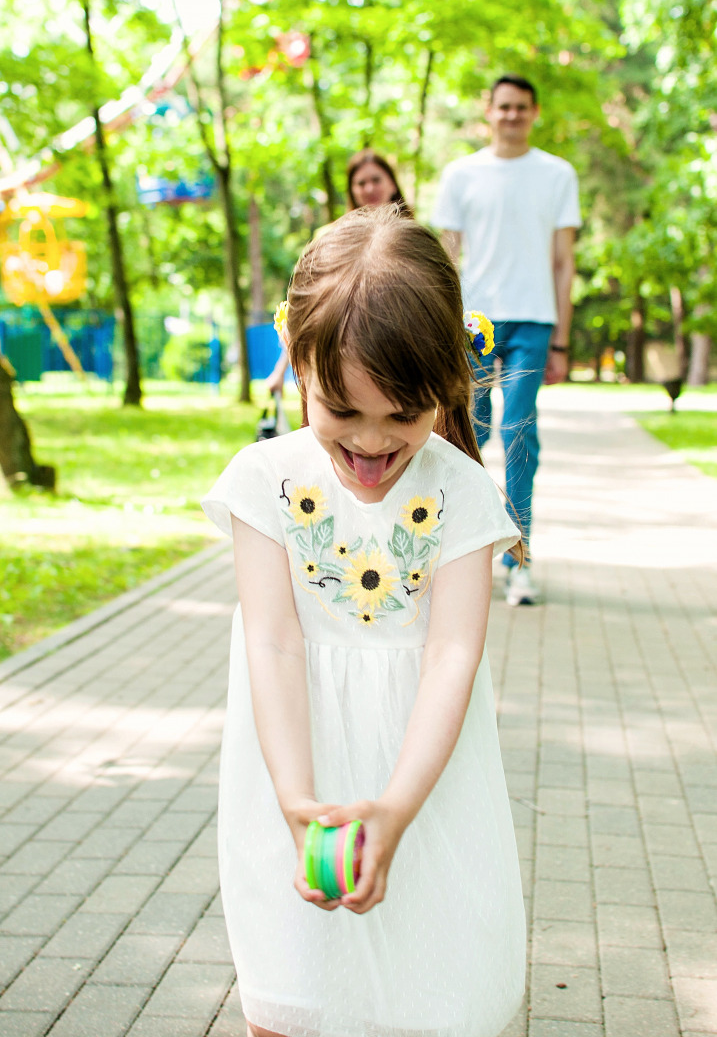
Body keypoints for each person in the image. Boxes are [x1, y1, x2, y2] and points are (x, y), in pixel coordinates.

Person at [202, 204, 526, 1037]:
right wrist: (294, 798)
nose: (374, 447)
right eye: (344, 413)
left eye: (404, 416)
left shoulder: (459, 490)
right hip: (295, 767)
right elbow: (272, 642)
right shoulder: (262, 480)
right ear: (297, 362)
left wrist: (397, 807)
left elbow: (452, 655)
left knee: (439, 990)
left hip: (424, 778)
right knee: (294, 989)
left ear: (444, 388)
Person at [432, 74, 581, 606]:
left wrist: (561, 340)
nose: (512, 115)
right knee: (468, 434)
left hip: (534, 321)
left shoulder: (557, 174)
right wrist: (443, 329)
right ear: (489, 111)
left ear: (535, 112)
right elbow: (444, 261)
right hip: (474, 326)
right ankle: (453, 551)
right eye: (504, 107)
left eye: (522, 107)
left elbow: (564, 263)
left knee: (520, 436)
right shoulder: (461, 174)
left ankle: (519, 559)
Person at [266, 151, 409, 393]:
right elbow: (310, 308)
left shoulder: (412, 239)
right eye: (361, 183)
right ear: (351, 190)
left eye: (376, 180)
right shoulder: (330, 237)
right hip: (343, 359)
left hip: (401, 357)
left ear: (392, 183)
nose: (369, 188)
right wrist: (282, 371)